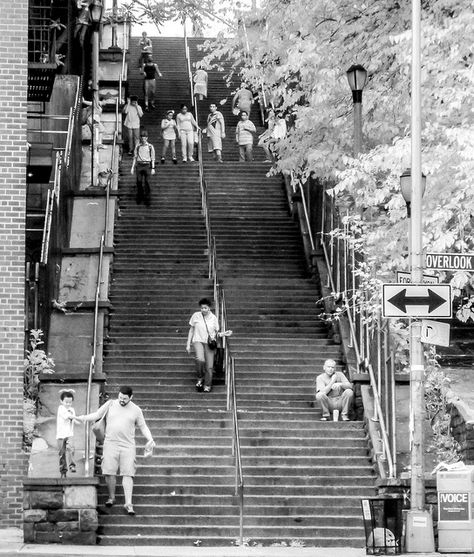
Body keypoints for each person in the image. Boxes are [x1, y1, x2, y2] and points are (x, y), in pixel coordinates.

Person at [76, 386, 155, 516]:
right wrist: (81, 418)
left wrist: (150, 438)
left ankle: (128, 503)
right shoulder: (110, 404)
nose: (121, 400)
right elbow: (97, 415)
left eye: (124, 398)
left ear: (131, 397)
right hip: (110, 443)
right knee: (108, 471)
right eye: (120, 397)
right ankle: (111, 497)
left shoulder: (136, 410)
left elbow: (143, 426)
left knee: (128, 473)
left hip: (128, 445)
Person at [186, 298, 232, 393]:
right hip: (197, 341)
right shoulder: (196, 316)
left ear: (209, 308)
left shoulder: (213, 318)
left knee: (209, 366)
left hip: (209, 343)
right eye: (202, 308)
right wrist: (188, 344)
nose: (203, 310)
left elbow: (216, 333)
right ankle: (199, 378)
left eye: (205, 308)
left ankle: (207, 384)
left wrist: (224, 333)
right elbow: (191, 330)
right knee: (200, 359)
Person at [56, 389, 78, 478]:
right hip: (61, 435)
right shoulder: (60, 408)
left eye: (70, 402)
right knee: (62, 453)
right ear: (61, 401)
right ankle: (63, 471)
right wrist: (77, 418)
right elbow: (68, 417)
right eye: (66, 402)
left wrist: (81, 421)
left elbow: (74, 419)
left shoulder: (72, 409)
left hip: (69, 434)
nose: (68, 404)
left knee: (71, 449)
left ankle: (72, 465)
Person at [130, 130, 155, 206]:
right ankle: (140, 197)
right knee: (139, 182)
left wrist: (153, 168)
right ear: (140, 138)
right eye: (142, 137)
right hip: (139, 165)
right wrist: (132, 167)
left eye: (145, 138)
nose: (143, 139)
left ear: (147, 138)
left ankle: (147, 199)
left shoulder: (150, 146)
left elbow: (153, 158)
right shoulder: (138, 146)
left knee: (147, 182)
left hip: (147, 165)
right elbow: (135, 157)